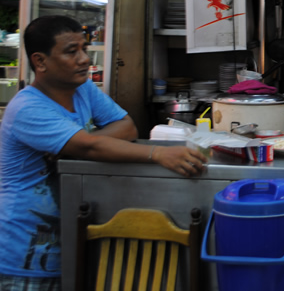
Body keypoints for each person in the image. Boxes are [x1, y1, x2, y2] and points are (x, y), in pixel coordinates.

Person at [0, 15, 207, 290]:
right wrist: (157, 153)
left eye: (84, 48)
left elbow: (127, 127)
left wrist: (76, 146)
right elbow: (90, 147)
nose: (84, 59)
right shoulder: (28, 108)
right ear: (40, 61)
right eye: (71, 52)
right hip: (24, 258)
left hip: (73, 249)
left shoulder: (83, 89)